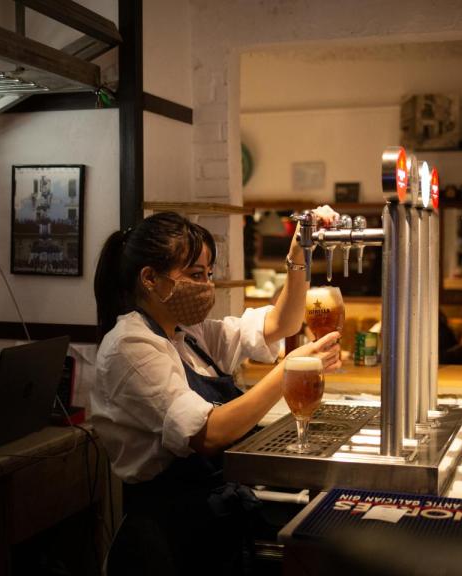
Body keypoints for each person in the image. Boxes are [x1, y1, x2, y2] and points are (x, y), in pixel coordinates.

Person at [91, 209, 341, 575]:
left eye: (208, 274)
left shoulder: (189, 334)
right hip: (166, 535)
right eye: (194, 274)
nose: (206, 285)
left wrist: (299, 254)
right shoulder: (129, 346)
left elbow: (282, 322)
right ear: (149, 278)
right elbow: (209, 433)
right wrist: (288, 371)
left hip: (212, 521)